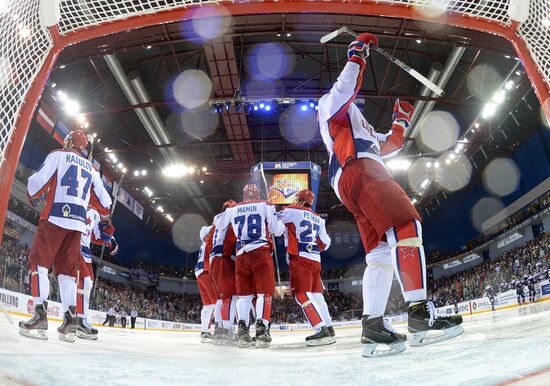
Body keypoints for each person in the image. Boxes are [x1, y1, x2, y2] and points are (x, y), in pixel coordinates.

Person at [317, 32, 463, 356]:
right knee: (407, 227)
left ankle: (373, 328)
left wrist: (400, 121)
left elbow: (391, 145)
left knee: (380, 254)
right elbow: (344, 88)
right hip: (361, 171)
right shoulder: (331, 107)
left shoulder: (361, 127)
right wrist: (357, 54)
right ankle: (419, 315)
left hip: (354, 179)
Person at [19, 130, 112, 342]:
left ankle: (40, 316)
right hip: (77, 226)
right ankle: (70, 321)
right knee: (67, 273)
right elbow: (106, 204)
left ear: (69, 142)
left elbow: (36, 182)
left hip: (54, 217)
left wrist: (33, 196)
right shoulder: (92, 169)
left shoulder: (58, 155)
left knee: (39, 265)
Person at [214, 184, 285, 348]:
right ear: (258, 194)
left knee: (244, 296)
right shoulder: (265, 205)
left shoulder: (233, 208)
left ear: (244, 195)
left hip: (241, 256)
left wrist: (230, 210)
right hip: (261, 252)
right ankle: (262, 331)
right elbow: (277, 229)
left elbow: (219, 223)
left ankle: (243, 332)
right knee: (264, 294)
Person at [279, 189, 335, 346]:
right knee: (317, 296)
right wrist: (313, 247)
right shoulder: (319, 219)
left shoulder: (291, 210)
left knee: (301, 295)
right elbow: (326, 242)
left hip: (300, 258)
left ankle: (320, 329)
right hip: (315, 259)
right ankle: (329, 328)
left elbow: (276, 222)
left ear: (302, 201)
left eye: (297, 199)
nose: (295, 201)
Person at [75, 202, 113, 340]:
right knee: (83, 283)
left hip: (85, 250)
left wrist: (107, 234)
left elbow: (96, 236)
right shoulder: (79, 200)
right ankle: (80, 320)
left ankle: (77, 319)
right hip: (74, 243)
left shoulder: (96, 213)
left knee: (87, 284)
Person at [209, 200, 238, 345]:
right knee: (231, 297)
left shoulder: (218, 219)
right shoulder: (229, 218)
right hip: (222, 259)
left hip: (215, 259)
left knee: (221, 299)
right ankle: (226, 330)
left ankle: (219, 330)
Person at [194, 225, 217, 343]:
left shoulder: (203, 244)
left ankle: (204, 331)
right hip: (205, 270)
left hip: (199, 271)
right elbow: (214, 229)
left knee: (208, 306)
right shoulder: (208, 241)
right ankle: (220, 329)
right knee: (217, 302)